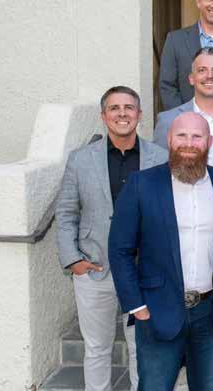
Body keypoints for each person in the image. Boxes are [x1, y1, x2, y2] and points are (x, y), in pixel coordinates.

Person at [109, 113, 213, 391]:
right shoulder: (141, 184)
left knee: (209, 386)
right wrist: (137, 306)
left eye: (197, 136)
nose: (188, 143)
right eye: (181, 135)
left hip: (211, 312)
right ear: (169, 140)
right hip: (157, 311)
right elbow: (120, 250)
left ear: (209, 142)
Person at [56, 86, 167, 391]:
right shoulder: (80, 159)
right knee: (96, 348)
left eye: (129, 107)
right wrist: (73, 260)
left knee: (141, 348)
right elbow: (65, 213)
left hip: (144, 272)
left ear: (139, 115)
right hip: (95, 269)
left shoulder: (161, 157)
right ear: (104, 116)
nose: (122, 113)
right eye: (114, 108)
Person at [155, 47, 213, 174]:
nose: (209, 76)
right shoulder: (168, 120)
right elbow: (158, 170)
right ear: (191, 78)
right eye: (202, 70)